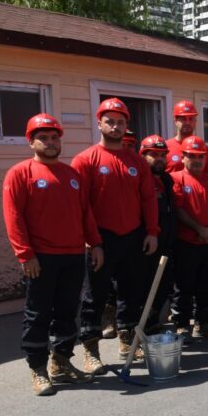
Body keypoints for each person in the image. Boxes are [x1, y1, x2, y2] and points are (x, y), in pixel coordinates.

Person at [3, 114, 103, 395]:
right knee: (38, 314)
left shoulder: (72, 175)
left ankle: (61, 362)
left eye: (54, 137)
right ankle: (38, 369)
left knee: (67, 313)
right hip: (41, 259)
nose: (50, 142)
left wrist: (95, 244)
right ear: (31, 142)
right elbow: (14, 218)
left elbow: (86, 214)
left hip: (73, 256)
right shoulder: (20, 173)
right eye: (43, 138)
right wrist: (25, 255)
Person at [72, 98, 159, 371]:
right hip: (100, 240)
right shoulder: (85, 160)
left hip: (133, 236)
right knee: (94, 297)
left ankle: (127, 340)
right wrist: (91, 241)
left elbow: (148, 200)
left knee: (131, 293)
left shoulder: (136, 162)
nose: (116, 126)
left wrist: (152, 232)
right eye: (110, 121)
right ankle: (91, 350)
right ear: (99, 123)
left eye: (121, 122)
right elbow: (80, 205)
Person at [170, 135, 208, 339]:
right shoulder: (176, 178)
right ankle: (182, 325)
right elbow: (179, 209)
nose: (197, 160)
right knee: (183, 287)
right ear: (183, 157)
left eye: (201, 157)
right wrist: (199, 229)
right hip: (187, 243)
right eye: (192, 156)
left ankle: (204, 322)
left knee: (207, 285)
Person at [140, 135, 178, 332]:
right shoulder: (139, 178)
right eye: (153, 155)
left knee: (162, 288)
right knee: (144, 289)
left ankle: (152, 325)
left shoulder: (167, 179)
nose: (159, 159)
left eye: (163, 155)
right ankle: (137, 330)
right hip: (146, 244)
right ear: (143, 155)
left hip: (166, 243)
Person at [166, 100, 198, 173]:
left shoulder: (203, 148)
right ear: (175, 121)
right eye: (183, 119)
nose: (187, 122)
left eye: (191, 119)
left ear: (195, 121)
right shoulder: (165, 148)